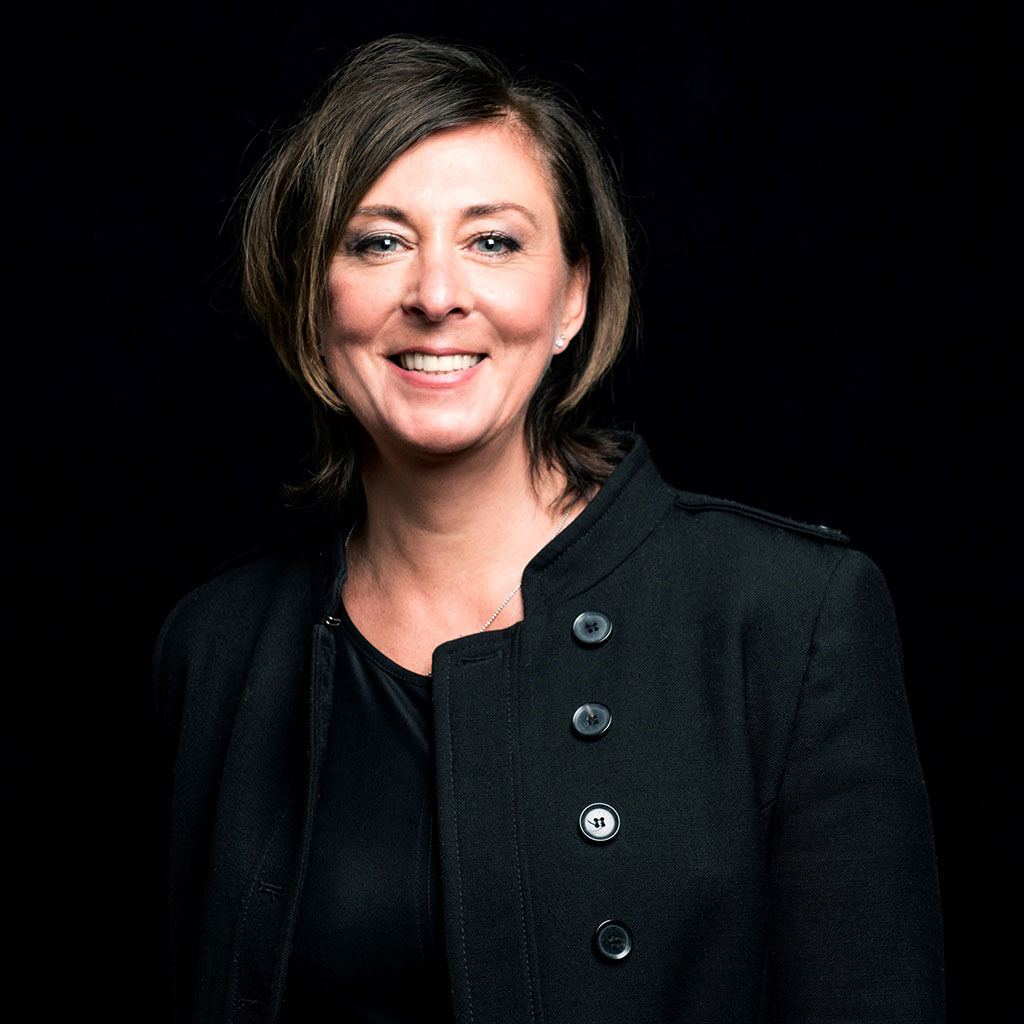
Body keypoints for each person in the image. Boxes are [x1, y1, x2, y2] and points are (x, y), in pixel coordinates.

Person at [155, 34, 945, 1023]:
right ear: (310, 296)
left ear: (573, 296)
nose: (436, 295)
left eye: (492, 241)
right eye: (378, 241)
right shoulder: (216, 647)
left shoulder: (788, 616)